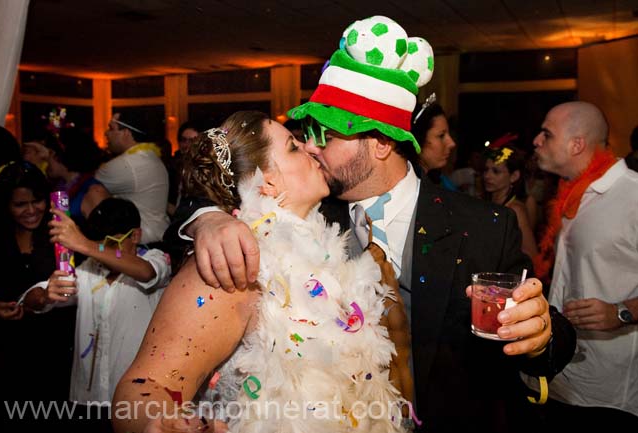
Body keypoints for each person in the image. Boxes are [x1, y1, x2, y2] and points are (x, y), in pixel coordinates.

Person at [168, 16, 575, 433]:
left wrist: (541, 334)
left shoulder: (485, 225)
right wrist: (206, 217)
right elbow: (222, 187)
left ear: (380, 143)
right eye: (308, 133)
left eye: (326, 134)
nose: (310, 146)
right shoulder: (307, 215)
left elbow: (552, 336)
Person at [113, 111, 412, 433]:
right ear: (266, 182)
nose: (312, 148)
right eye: (293, 147)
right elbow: (144, 385)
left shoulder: (333, 240)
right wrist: (158, 424)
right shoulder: (233, 263)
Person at [529, 101, 638, 428]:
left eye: (547, 134)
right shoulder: (574, 193)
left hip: (607, 393)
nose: (536, 140)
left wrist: (622, 311)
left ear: (577, 144)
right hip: (560, 378)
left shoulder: (631, 195)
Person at [22, 197, 170, 431]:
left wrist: (84, 244)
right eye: (99, 243)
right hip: (87, 399)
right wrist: (45, 295)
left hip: (136, 400)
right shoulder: (89, 270)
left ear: (136, 236)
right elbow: (34, 298)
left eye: (112, 243)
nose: (103, 251)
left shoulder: (155, 259)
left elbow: (146, 273)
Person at [0, 161, 76, 432]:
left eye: (36, 201)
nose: (30, 211)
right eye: (20, 205)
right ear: (5, 205)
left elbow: (78, 285)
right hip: (7, 350)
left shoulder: (61, 234)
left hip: (56, 347)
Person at [96, 112, 170, 245]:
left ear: (126, 132)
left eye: (111, 128)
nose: (106, 133)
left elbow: (88, 190)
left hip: (141, 243)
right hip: (159, 236)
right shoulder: (150, 156)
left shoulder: (127, 163)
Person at [46, 128, 110, 230]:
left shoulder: (94, 191)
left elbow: (104, 240)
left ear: (61, 156)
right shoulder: (61, 187)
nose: (46, 160)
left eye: (50, 153)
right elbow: (60, 224)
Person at [482, 142, 538, 257]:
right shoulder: (485, 202)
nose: (487, 176)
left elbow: (531, 254)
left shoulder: (515, 209)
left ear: (514, 176)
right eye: (486, 170)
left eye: (495, 171)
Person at [410, 96, 458, 192]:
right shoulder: (409, 190)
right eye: (441, 136)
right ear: (418, 140)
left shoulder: (442, 183)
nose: (451, 143)